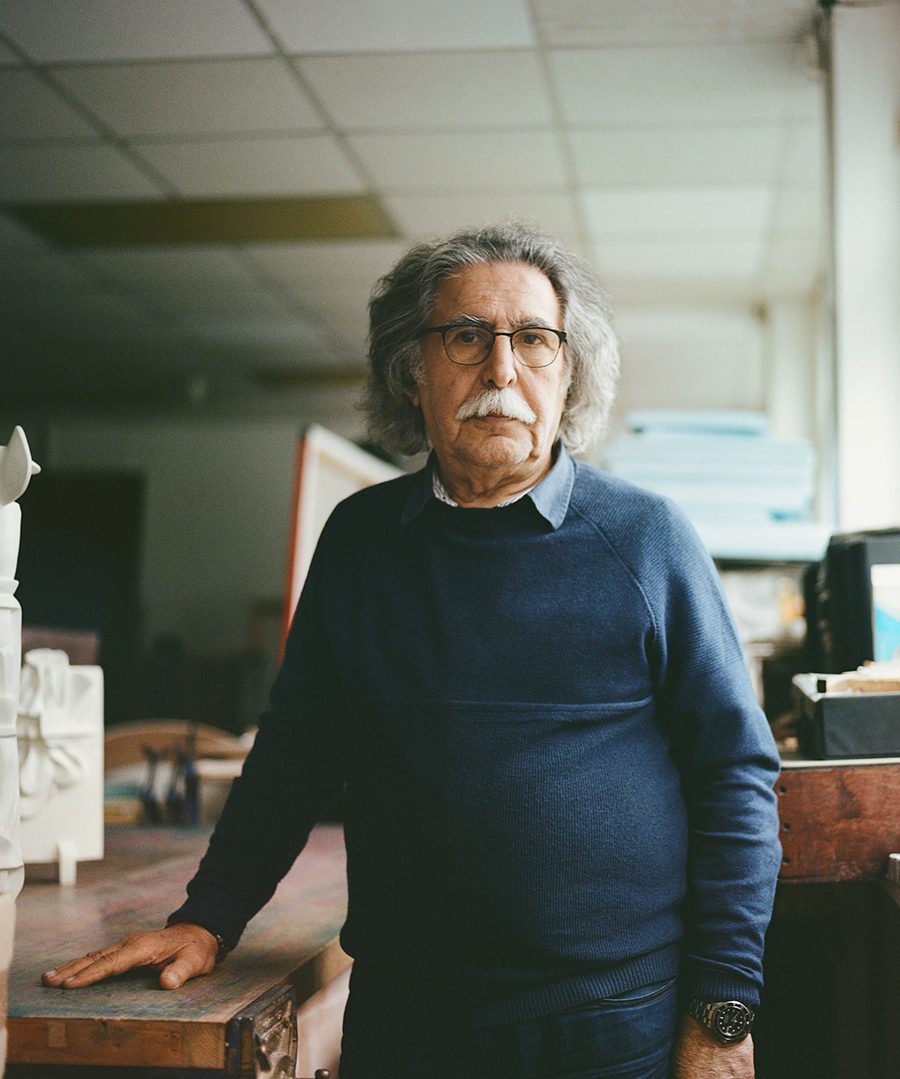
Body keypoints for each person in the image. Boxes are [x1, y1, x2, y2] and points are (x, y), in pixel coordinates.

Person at [44, 223, 781, 1079]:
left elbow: (735, 774)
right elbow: (293, 756)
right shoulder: (361, 543)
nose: (500, 370)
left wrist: (722, 1015)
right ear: (413, 371)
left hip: (612, 1030)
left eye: (533, 339)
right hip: (407, 1028)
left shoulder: (647, 540)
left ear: (568, 371)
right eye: (466, 337)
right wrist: (209, 917)